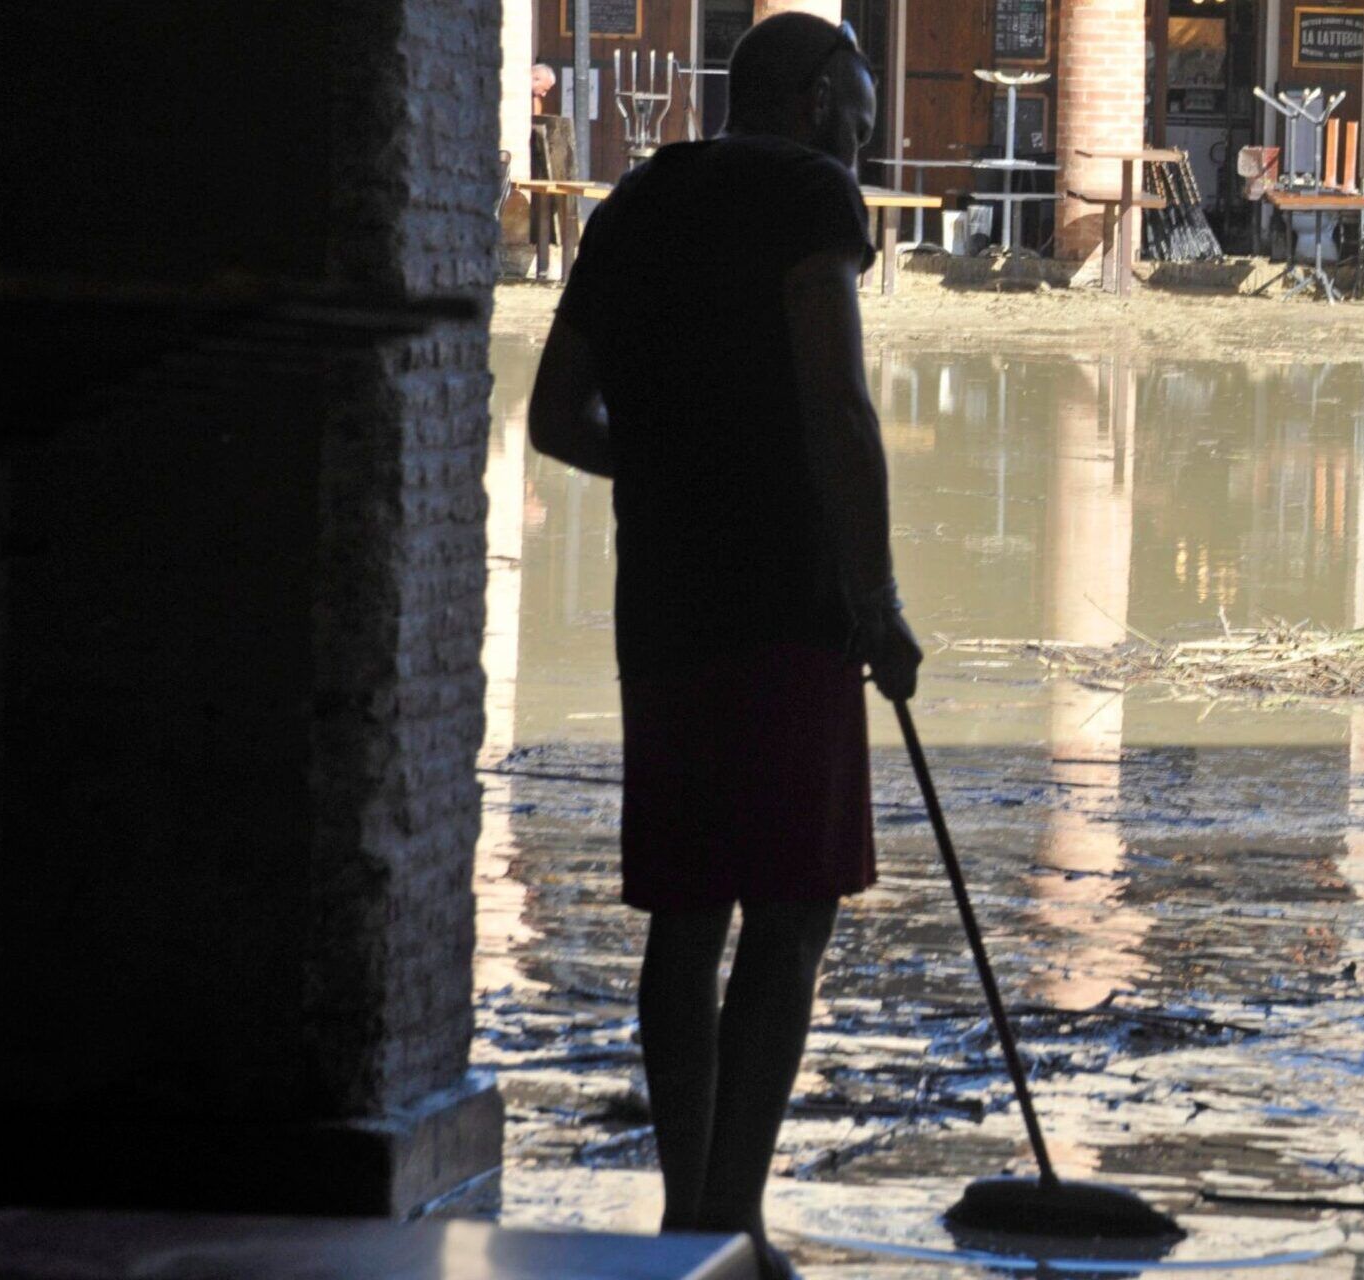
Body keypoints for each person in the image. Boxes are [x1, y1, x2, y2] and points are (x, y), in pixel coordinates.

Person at [526, 13, 917, 1279]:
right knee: (793, 907)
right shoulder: (811, 197)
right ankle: (732, 1217)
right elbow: (836, 399)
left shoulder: (637, 201)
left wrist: (677, 467)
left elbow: (551, 414)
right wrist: (879, 594)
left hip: (665, 605)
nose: (867, 137)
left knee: (686, 907)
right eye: (858, 111)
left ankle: (682, 1210)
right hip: (790, 603)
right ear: (810, 103)